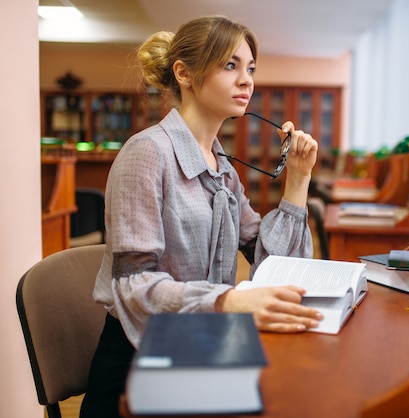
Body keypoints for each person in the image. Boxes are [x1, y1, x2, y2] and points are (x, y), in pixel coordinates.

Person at [80, 15, 323, 418]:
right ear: (184, 73)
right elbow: (133, 286)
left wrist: (297, 181)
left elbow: (269, 259)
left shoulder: (221, 164)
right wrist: (228, 300)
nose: (247, 80)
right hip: (138, 364)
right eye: (230, 65)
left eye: (250, 69)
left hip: (199, 344)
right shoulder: (147, 153)